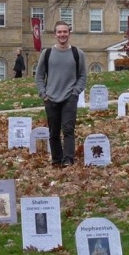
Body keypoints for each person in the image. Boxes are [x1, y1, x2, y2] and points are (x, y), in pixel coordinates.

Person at [35, 21, 87, 167]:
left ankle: (68, 160)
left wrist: (75, 92)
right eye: (59, 32)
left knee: (68, 129)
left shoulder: (78, 54)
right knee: (54, 132)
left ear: (69, 33)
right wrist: (43, 94)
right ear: (55, 34)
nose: (62, 35)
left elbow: (82, 76)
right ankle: (57, 160)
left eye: (65, 32)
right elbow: (39, 76)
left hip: (69, 97)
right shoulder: (47, 54)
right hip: (50, 98)